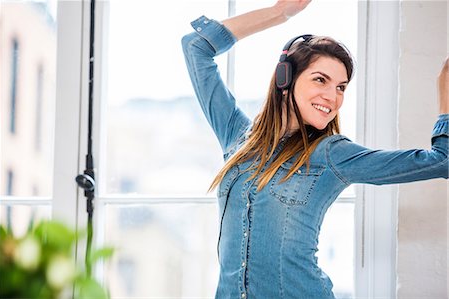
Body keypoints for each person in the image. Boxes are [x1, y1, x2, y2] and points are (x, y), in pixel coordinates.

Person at [181, 0, 449, 298]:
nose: (332, 96)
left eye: (341, 87)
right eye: (321, 80)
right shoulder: (237, 135)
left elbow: (442, 161)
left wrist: (446, 102)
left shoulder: (332, 154)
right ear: (286, 78)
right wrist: (278, 13)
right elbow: (196, 47)